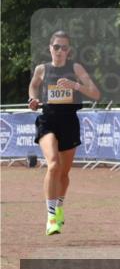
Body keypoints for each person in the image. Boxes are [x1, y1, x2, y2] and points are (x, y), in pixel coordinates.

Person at [28, 30, 101, 235]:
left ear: (69, 51)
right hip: (47, 120)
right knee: (53, 165)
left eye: (64, 47)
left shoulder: (75, 67)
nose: (60, 51)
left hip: (69, 122)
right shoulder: (42, 69)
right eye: (56, 47)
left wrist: (75, 85)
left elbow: (96, 93)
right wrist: (32, 100)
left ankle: (59, 207)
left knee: (64, 173)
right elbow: (33, 87)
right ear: (50, 48)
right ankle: (51, 217)